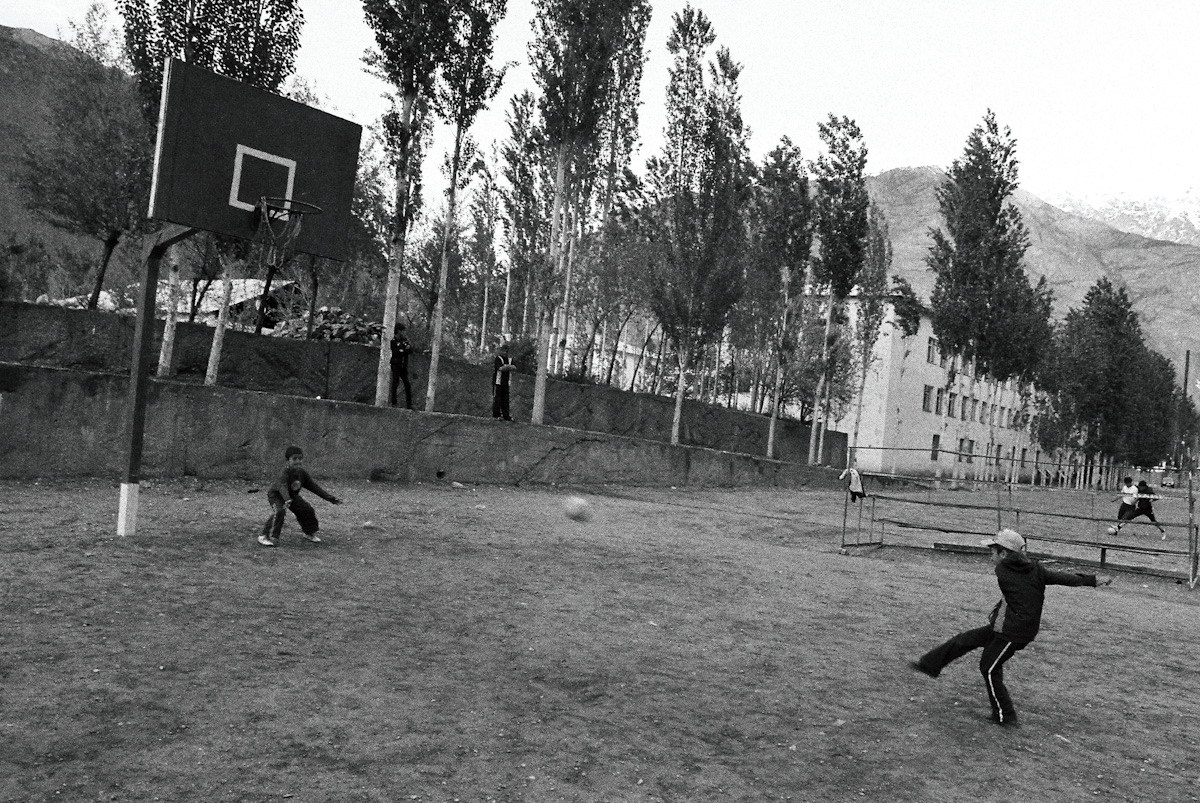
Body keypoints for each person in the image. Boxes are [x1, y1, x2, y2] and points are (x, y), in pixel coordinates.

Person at [911, 528, 1111, 728]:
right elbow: (1060, 577)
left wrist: (1090, 580)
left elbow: (1031, 583)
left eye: (993, 551)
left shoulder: (1004, 570)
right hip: (1004, 626)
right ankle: (930, 664)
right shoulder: (1035, 569)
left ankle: (1005, 716)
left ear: (1004, 554)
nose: (990, 555)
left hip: (1013, 633)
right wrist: (1091, 580)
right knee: (964, 640)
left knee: (989, 668)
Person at [258, 445, 342, 547]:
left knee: (306, 509)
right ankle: (264, 536)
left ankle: (309, 532)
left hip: (291, 496)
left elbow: (314, 487)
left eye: (300, 458)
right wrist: (287, 500)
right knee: (280, 511)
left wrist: (330, 498)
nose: (298, 461)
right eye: (294, 459)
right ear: (288, 460)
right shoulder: (284, 473)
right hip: (277, 495)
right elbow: (282, 487)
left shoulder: (302, 474)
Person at [389, 323, 413, 409]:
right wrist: (403, 350)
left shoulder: (405, 340)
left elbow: (410, 350)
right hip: (396, 364)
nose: (404, 333)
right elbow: (396, 352)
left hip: (403, 365)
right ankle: (393, 402)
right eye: (402, 331)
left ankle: (409, 405)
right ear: (399, 331)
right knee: (395, 383)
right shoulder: (393, 341)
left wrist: (404, 349)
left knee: (407, 384)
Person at [492, 343, 515, 421]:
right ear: (501, 351)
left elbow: (514, 367)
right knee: (497, 399)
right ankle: (496, 415)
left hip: (507, 383)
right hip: (498, 382)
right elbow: (500, 368)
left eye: (506, 351)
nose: (505, 353)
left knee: (505, 400)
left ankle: (506, 415)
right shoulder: (498, 358)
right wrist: (508, 367)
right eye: (503, 351)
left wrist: (506, 367)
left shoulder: (510, 359)